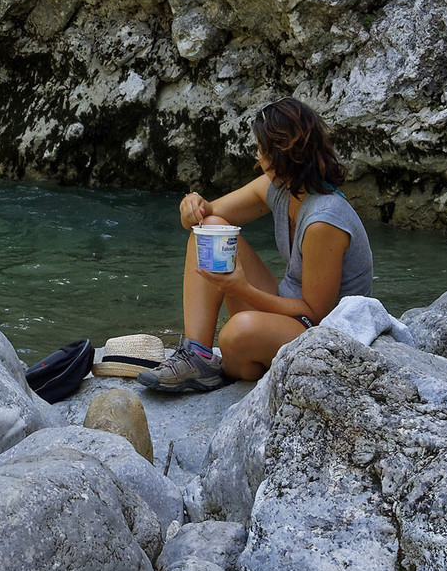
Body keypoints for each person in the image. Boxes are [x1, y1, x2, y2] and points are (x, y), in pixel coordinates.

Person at [141, 98, 374, 394]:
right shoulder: (279, 188)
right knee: (211, 229)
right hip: (292, 313)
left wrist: (242, 290)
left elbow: (315, 314)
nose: (257, 156)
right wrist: (191, 206)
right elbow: (205, 217)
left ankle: (244, 361)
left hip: (326, 334)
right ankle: (196, 356)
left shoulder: (323, 221)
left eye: (260, 149)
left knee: (236, 334)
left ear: (279, 157)